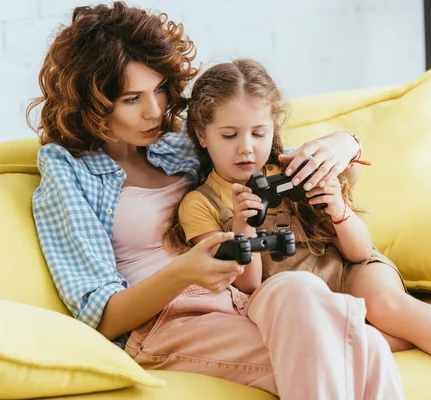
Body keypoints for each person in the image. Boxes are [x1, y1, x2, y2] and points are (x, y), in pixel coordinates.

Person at [27, 3, 404, 399]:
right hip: (170, 322)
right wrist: (183, 273)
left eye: (158, 89)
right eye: (131, 98)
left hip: (244, 299)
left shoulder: (178, 145)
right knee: (362, 347)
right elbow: (100, 317)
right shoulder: (67, 171)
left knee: (300, 289)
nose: (154, 111)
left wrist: (345, 142)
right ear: (94, 102)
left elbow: (286, 163)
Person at [171, 58, 431, 400]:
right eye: (229, 135)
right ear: (203, 135)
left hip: (347, 267)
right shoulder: (199, 204)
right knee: (355, 339)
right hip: (293, 301)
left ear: (274, 129)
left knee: (388, 305)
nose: (246, 148)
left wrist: (339, 209)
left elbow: (359, 252)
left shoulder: (296, 167)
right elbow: (248, 287)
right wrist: (242, 227)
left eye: (259, 132)